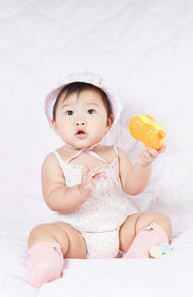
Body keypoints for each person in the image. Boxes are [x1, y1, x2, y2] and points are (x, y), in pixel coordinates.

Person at [27, 71, 172, 288]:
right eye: (69, 113)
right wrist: (80, 191)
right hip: (77, 235)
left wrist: (142, 164)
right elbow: (53, 198)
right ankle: (46, 263)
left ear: (108, 122)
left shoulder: (116, 153)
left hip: (120, 229)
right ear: (54, 124)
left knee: (159, 218)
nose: (80, 119)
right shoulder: (55, 160)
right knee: (41, 232)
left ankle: (140, 253)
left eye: (90, 111)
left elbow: (133, 188)